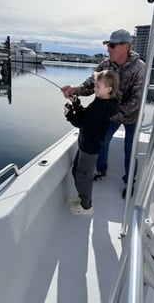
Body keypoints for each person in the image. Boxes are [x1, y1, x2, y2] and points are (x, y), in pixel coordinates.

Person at [62, 29, 145, 198]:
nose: (108, 48)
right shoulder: (104, 65)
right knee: (103, 141)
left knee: (130, 149)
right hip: (108, 114)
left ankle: (129, 183)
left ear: (125, 47)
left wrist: (104, 115)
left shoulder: (140, 68)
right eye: (108, 45)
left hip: (132, 117)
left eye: (112, 45)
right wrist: (74, 90)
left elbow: (135, 102)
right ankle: (101, 171)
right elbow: (88, 86)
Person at [64, 70, 119, 215]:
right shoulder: (100, 101)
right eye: (95, 86)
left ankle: (86, 206)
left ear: (109, 89)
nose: (94, 89)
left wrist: (69, 115)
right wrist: (76, 103)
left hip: (90, 147)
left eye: (98, 87)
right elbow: (86, 115)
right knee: (77, 171)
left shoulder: (105, 107)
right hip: (84, 144)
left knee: (83, 176)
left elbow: (86, 123)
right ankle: (83, 198)